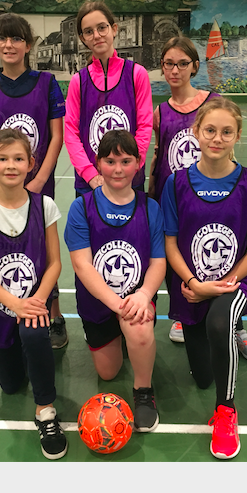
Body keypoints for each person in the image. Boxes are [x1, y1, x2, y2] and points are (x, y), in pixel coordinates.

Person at [160, 97, 247, 459]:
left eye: (227, 132)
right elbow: (170, 244)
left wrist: (227, 281)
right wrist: (194, 284)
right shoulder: (176, 183)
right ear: (196, 132)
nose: (217, 138)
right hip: (190, 286)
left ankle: (226, 412)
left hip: (233, 284)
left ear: (238, 136)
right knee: (202, 374)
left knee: (219, 322)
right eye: (210, 130)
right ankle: (217, 349)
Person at [149, 37, 247, 360]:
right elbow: (159, 154)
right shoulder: (160, 112)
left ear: (194, 67)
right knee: (183, 255)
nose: (175, 70)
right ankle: (184, 316)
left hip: (215, 196)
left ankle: (236, 325)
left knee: (225, 253)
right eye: (169, 64)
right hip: (177, 196)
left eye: (182, 63)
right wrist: (152, 192)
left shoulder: (213, 103)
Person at [0, 128, 67, 460]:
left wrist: (38, 302)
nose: (11, 165)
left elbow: (54, 264)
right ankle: (26, 355)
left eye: (18, 158)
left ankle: (45, 411)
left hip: (33, 304)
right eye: (2, 158)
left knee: (34, 335)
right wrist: (14, 303)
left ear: (31, 164)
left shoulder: (44, 206)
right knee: (11, 385)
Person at [0, 13, 68, 349]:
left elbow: (56, 138)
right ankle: (7, 314)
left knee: (44, 255)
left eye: (16, 39)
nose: (8, 45)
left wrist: (38, 180)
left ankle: (53, 316)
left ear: (28, 45)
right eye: (2, 39)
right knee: (6, 255)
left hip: (38, 187)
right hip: (1, 191)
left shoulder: (46, 83)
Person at [65, 129, 166, 432]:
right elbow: (82, 265)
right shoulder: (81, 207)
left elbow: (159, 262)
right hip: (99, 303)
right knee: (108, 374)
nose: (118, 169)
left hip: (135, 298)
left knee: (139, 330)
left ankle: (144, 391)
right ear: (98, 164)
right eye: (110, 161)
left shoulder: (150, 207)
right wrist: (116, 304)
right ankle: (114, 335)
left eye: (126, 160)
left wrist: (145, 294)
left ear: (138, 163)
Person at [64, 0, 153, 198]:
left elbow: (145, 126)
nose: (96, 35)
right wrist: (90, 175)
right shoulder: (79, 81)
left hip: (130, 182)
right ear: (83, 38)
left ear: (114, 29)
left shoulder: (136, 74)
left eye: (102, 28)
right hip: (90, 185)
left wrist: (131, 168)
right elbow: (70, 132)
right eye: (88, 31)